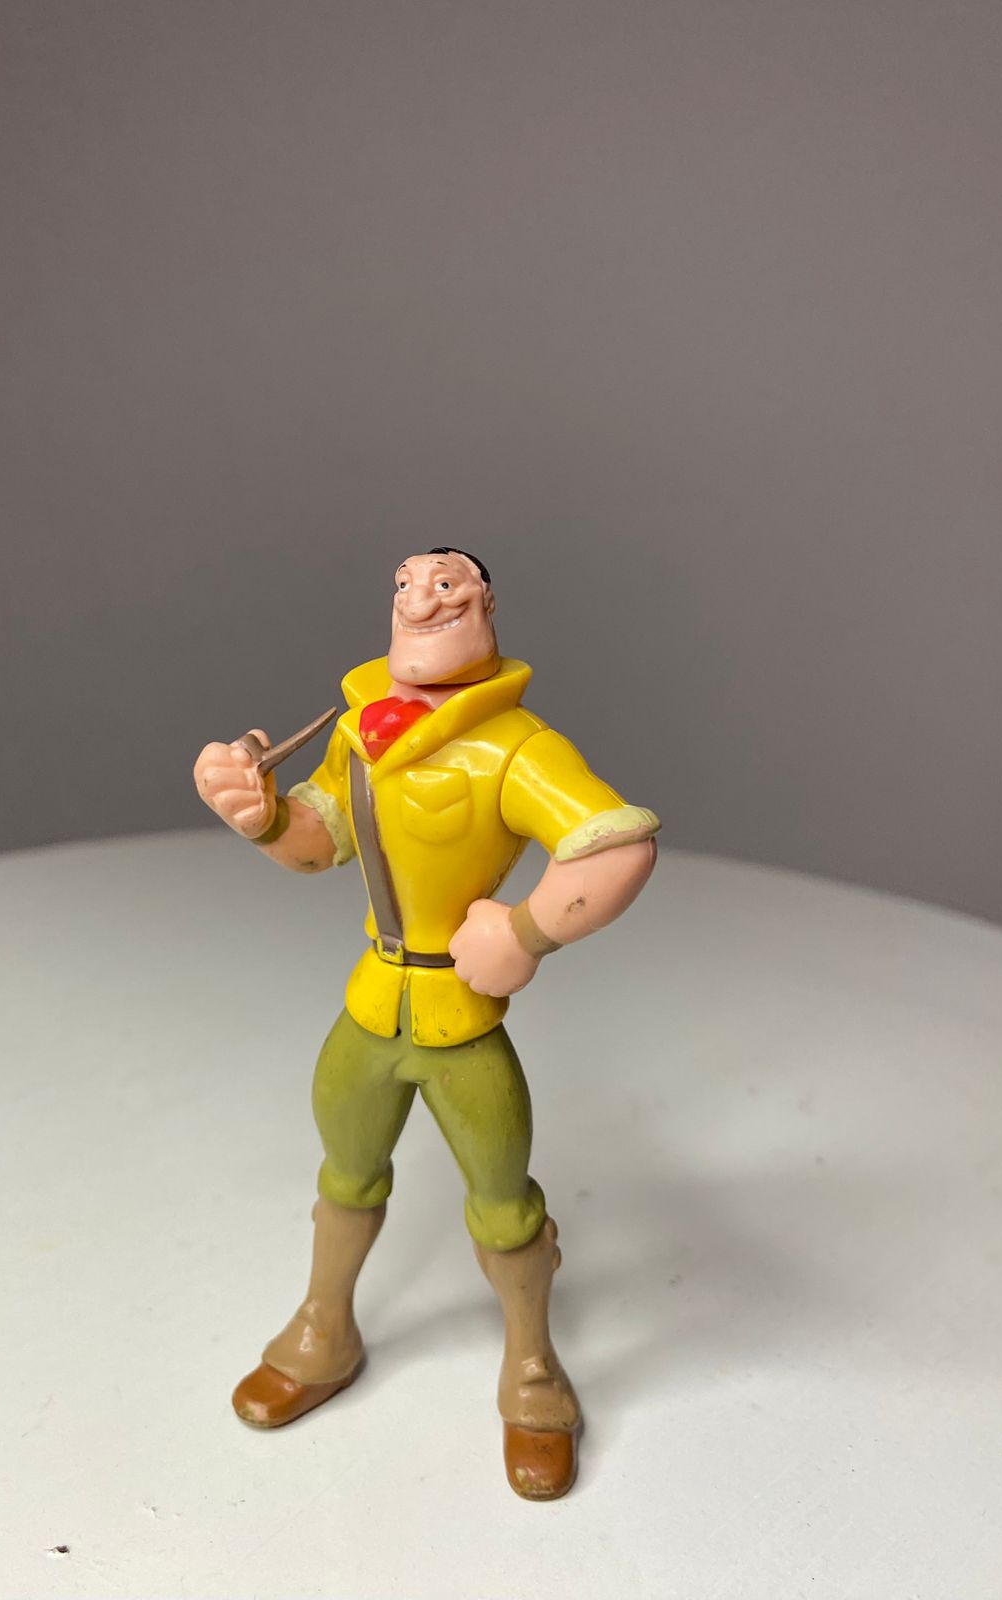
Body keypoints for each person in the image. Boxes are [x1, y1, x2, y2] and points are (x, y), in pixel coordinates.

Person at [193, 547, 659, 1499]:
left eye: (446, 583)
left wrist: (525, 932)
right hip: (374, 1003)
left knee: (503, 1202)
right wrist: (260, 814)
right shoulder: (360, 724)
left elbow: (616, 846)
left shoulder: (517, 747)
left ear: (484, 602)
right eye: (407, 583)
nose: (422, 596)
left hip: (461, 1017)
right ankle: (322, 1331)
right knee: (345, 1173)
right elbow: (321, 840)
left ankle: (533, 1374)